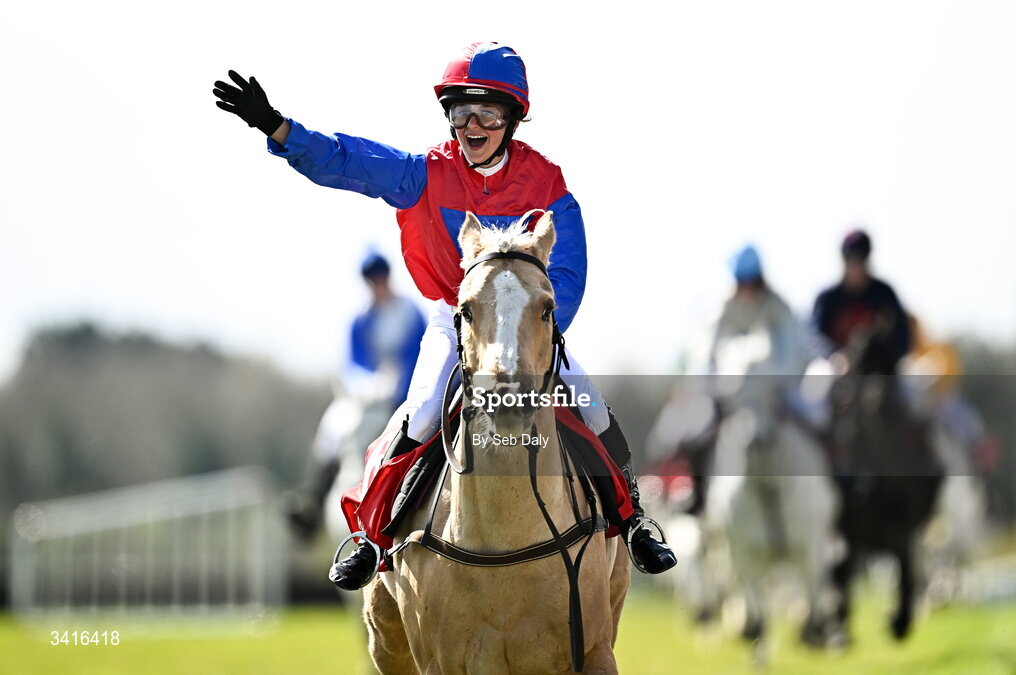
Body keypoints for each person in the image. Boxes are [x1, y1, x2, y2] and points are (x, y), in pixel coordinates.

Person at [213, 42, 676, 589]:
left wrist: (535, 333)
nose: (471, 125)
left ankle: (635, 519)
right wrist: (281, 129)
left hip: (528, 329)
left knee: (592, 406)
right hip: (452, 319)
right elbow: (351, 161)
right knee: (423, 410)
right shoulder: (426, 173)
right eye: (461, 112)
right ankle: (372, 534)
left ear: (512, 118)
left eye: (486, 113)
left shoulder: (547, 183)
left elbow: (567, 276)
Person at [284, 252, 426, 539]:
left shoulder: (410, 312)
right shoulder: (360, 320)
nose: (377, 285)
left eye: (381, 279)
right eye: (372, 281)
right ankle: (313, 499)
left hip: (407, 392)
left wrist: (397, 388)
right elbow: (353, 364)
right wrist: (370, 384)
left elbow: (418, 354)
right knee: (333, 427)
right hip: (369, 396)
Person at [708, 245, 808, 444]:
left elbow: (792, 358)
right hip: (731, 396)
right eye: (742, 283)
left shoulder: (778, 308)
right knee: (698, 428)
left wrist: (775, 386)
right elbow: (709, 358)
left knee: (817, 418)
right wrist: (720, 389)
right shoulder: (724, 310)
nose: (747, 289)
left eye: (751, 283)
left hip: (778, 393)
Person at [811, 229, 910, 373]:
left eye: (861, 259)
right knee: (817, 376)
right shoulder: (828, 298)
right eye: (851, 259)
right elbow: (814, 338)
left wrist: (886, 357)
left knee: (913, 382)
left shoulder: (884, 294)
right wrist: (834, 356)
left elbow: (902, 336)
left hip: (878, 366)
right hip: (837, 365)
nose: (856, 266)